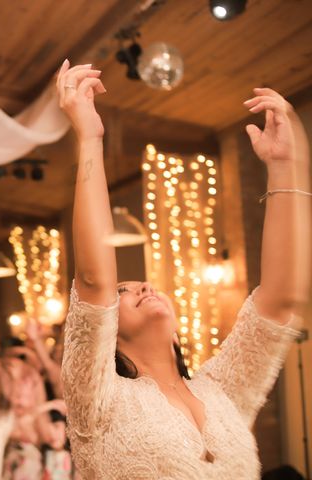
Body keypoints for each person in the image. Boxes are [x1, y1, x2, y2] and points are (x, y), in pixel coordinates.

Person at [56, 59, 310, 478]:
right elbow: (93, 277)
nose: (140, 288)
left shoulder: (222, 389)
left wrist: (285, 166)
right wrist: (89, 137)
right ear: (104, 333)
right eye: (123, 291)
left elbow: (280, 301)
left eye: (140, 283)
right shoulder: (97, 395)